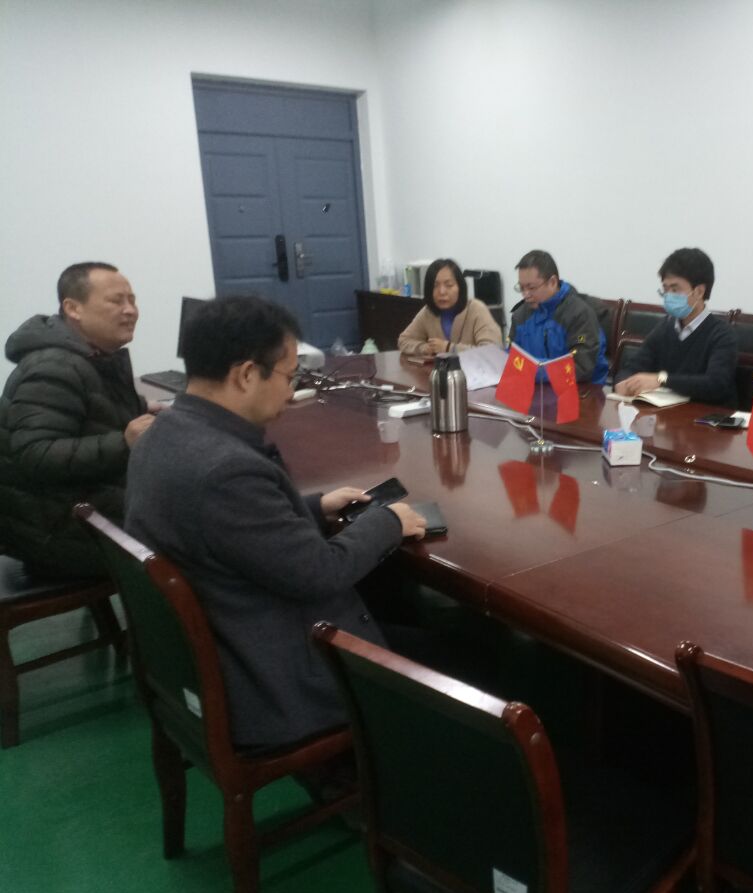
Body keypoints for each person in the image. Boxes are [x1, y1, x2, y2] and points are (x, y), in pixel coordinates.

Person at [126, 295, 428, 749]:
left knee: (399, 608)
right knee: (469, 657)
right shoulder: (227, 471)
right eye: (288, 376)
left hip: (232, 640)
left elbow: (224, 528)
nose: (290, 393)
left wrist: (314, 507)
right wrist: (387, 521)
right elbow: (321, 572)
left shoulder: (162, 434)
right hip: (275, 681)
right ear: (247, 374)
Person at [0, 262, 158, 578]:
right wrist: (124, 441)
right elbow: (36, 454)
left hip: (66, 511)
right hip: (56, 531)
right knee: (197, 529)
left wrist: (143, 406)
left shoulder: (89, 356)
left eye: (132, 300)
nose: (130, 310)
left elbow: (90, 412)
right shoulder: (54, 366)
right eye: (116, 301)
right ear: (73, 309)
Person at [614, 247, 737, 407]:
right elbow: (633, 366)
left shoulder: (722, 334)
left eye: (675, 289)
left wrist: (662, 380)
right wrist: (623, 382)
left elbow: (716, 384)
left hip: (705, 416)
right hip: (665, 413)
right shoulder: (665, 327)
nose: (668, 296)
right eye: (665, 290)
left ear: (699, 291)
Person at [508, 250, 608, 384]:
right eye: (521, 288)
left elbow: (581, 366)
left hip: (580, 389)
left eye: (531, 288)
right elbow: (511, 355)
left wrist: (535, 370)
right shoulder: (520, 315)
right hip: (536, 387)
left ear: (552, 282)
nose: (525, 295)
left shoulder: (579, 314)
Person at [397, 258, 502, 357]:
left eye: (449, 285)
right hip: (440, 370)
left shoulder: (476, 309)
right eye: (435, 286)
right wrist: (424, 348)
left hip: (474, 370)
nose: (442, 292)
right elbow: (403, 341)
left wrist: (449, 348)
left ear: (460, 287)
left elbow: (492, 352)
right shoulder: (428, 312)